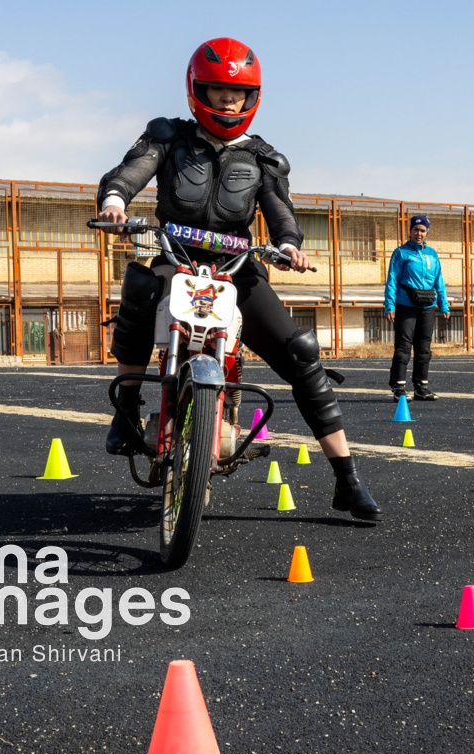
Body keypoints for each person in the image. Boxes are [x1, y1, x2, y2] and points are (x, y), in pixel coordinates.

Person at [95, 37, 381, 522]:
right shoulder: (168, 138)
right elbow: (128, 173)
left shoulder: (264, 158)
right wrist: (117, 201)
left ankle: (347, 478)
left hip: (237, 266)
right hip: (175, 255)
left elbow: (281, 214)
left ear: (252, 98)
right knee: (140, 287)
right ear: (196, 91)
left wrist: (289, 244)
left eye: (237, 93)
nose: (228, 101)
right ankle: (125, 409)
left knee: (301, 354)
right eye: (216, 91)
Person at [384, 215, 449, 400]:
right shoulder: (401, 253)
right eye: (415, 230)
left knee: (424, 348)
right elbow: (392, 280)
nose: (418, 233)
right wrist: (390, 305)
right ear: (410, 231)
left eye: (422, 230)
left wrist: (444, 304)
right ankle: (398, 387)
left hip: (428, 305)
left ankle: (421, 388)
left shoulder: (432, 254)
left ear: (427, 232)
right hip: (405, 305)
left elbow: (439, 281)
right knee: (403, 347)